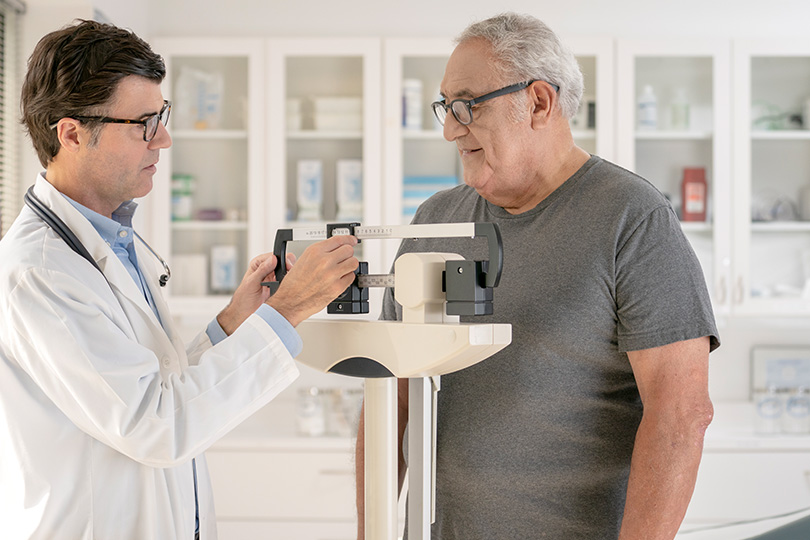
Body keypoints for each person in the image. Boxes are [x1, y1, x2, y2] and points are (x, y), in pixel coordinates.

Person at [355, 12, 719, 540]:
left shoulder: (631, 217)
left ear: (539, 102)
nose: (449, 129)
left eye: (466, 106)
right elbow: (395, 395)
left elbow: (680, 414)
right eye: (445, 107)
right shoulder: (436, 220)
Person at [0, 20, 358, 540]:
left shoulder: (111, 241)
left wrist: (233, 323)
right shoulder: (41, 274)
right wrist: (289, 310)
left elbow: (152, 384)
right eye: (144, 123)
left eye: (161, 117)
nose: (164, 139)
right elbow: (155, 424)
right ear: (72, 133)